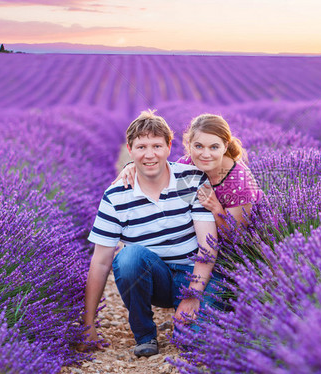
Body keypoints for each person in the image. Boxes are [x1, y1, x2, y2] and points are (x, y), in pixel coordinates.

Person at [82, 110, 220, 358]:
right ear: (129, 149)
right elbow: (100, 262)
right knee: (128, 258)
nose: (149, 154)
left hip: (192, 274)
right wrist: (89, 324)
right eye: (141, 146)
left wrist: (192, 296)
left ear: (169, 146)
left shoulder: (192, 179)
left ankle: (184, 323)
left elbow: (208, 247)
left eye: (157, 145)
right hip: (153, 277)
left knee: (194, 343)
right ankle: (145, 335)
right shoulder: (115, 196)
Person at [116, 113, 263, 230]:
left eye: (214, 147)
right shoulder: (188, 163)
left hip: (246, 246)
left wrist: (215, 207)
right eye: (199, 146)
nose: (205, 154)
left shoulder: (239, 181)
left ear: (225, 147)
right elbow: (160, 170)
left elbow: (236, 236)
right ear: (189, 144)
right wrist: (133, 166)